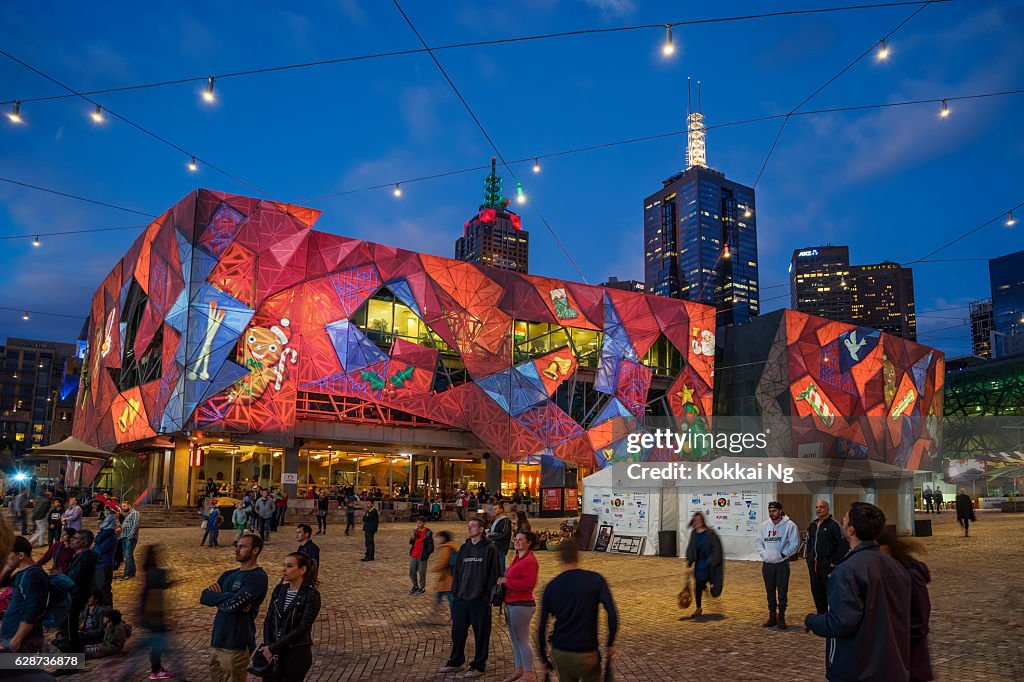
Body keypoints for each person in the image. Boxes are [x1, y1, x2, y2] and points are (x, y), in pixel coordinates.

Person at [805, 502, 911, 681]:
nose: (843, 522)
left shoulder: (846, 571)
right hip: (892, 665)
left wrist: (812, 620)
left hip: (857, 667)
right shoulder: (895, 566)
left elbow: (841, 622)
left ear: (851, 530)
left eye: (845, 519)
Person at [538, 540, 618, 682]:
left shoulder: (551, 587)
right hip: (587, 650)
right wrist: (610, 643)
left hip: (561, 651)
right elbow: (612, 613)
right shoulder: (595, 580)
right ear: (577, 556)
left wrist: (544, 658)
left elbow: (542, 626)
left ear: (560, 557)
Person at [200, 533, 269, 682]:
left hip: (236, 643)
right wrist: (231, 596)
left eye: (242, 547)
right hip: (217, 640)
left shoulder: (257, 577)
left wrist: (222, 598)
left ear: (255, 550)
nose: (237, 550)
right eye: (237, 546)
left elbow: (232, 607)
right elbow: (204, 596)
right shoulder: (228, 574)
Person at [439, 517, 501, 678]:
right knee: (457, 632)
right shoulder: (465, 548)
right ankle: (456, 662)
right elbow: (458, 571)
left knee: (481, 634)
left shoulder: (490, 549)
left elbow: (494, 573)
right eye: (468, 526)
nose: (469, 528)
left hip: (479, 600)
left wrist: (488, 597)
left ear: (481, 529)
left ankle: (478, 665)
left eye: (473, 526)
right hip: (461, 599)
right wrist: (456, 592)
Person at [877, 528, 933, 682]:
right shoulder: (884, 571)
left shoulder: (910, 575)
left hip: (911, 659)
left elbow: (920, 618)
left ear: (886, 548)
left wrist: (900, 639)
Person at [257, 552, 323, 681]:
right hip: (274, 651)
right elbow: (269, 620)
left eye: (289, 566)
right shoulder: (279, 590)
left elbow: (302, 628)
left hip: (296, 654)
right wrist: (268, 646)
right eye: (284, 565)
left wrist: (273, 647)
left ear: (302, 570)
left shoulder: (311, 595)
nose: (284, 569)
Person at [500, 530, 539, 682]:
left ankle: (528, 673)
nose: (516, 542)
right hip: (511, 602)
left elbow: (529, 584)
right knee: (516, 640)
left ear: (529, 543)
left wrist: (507, 582)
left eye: (521, 540)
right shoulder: (517, 557)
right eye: (515, 539)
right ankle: (519, 669)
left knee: (522, 640)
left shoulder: (530, 561)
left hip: (522, 604)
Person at [755, 500, 800, 629]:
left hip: (781, 564)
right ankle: (772, 615)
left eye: (774, 511)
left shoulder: (790, 526)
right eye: (770, 511)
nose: (771, 513)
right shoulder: (764, 526)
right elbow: (758, 541)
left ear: (780, 511)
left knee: (782, 591)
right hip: (767, 564)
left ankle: (782, 616)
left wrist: (783, 554)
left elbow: (794, 544)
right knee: (770, 592)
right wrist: (763, 554)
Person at [0, 536, 48, 653]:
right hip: (12, 633)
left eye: (8, 554)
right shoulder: (23, 573)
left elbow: (31, 609)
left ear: (21, 555)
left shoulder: (32, 576)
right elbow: (2, 582)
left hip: (21, 638)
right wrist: (10, 565)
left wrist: (17, 638)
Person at [806, 499, 849, 615]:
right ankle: (822, 617)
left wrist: (833, 562)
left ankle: (834, 619)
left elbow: (843, 545)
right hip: (814, 565)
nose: (818, 509)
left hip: (828, 566)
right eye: (816, 507)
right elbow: (809, 543)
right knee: (817, 592)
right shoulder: (813, 525)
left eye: (821, 507)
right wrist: (809, 559)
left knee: (831, 593)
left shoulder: (834, 525)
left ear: (827, 509)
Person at [64, 529, 99, 653]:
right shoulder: (80, 556)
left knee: (70, 629)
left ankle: (71, 663)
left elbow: (75, 578)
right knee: (69, 629)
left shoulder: (86, 557)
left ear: (84, 542)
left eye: (75, 538)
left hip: (76, 596)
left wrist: (60, 578)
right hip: (75, 595)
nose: (71, 540)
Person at [684, 511, 724, 618]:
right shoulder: (694, 533)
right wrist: (689, 562)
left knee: (704, 584)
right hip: (699, 564)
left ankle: (708, 587)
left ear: (702, 521)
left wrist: (712, 561)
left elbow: (717, 550)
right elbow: (691, 548)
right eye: (695, 520)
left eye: (699, 520)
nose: (697, 522)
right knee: (697, 586)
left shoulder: (710, 534)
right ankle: (698, 608)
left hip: (709, 564)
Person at [432, 530, 459, 625]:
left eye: (438, 537)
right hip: (450, 576)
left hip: (446, 577)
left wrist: (434, 568)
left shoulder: (445, 548)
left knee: (449, 598)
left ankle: (453, 618)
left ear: (443, 538)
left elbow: (442, 562)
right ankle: (435, 614)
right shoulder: (453, 546)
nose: (437, 540)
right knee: (441, 595)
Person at [94, 510, 119, 606]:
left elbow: (100, 551)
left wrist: (95, 545)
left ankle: (107, 609)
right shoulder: (101, 535)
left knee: (104, 589)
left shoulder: (111, 536)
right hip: (99, 564)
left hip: (104, 564)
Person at [409, 515, 434, 595]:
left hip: (422, 556)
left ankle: (422, 588)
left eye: (420, 523)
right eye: (417, 523)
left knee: (422, 573)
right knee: (412, 572)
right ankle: (415, 586)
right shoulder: (416, 531)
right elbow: (411, 542)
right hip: (414, 555)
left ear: (424, 523)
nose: (418, 524)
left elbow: (431, 546)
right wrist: (412, 534)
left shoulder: (428, 532)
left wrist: (426, 554)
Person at [118, 500, 141, 580]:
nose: (123, 507)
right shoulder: (128, 515)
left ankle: (127, 573)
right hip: (124, 536)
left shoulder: (135, 513)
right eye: (122, 506)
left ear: (129, 505)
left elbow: (135, 525)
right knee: (128, 555)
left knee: (127, 555)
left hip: (129, 537)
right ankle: (132, 572)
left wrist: (130, 536)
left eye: (124, 506)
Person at [487, 501, 512, 572]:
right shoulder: (497, 520)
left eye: (496, 509)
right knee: (496, 566)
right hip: (495, 547)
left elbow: (504, 534)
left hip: (500, 547)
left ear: (501, 510)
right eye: (493, 509)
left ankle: (503, 581)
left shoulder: (505, 521)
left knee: (500, 567)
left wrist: (490, 537)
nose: (494, 511)